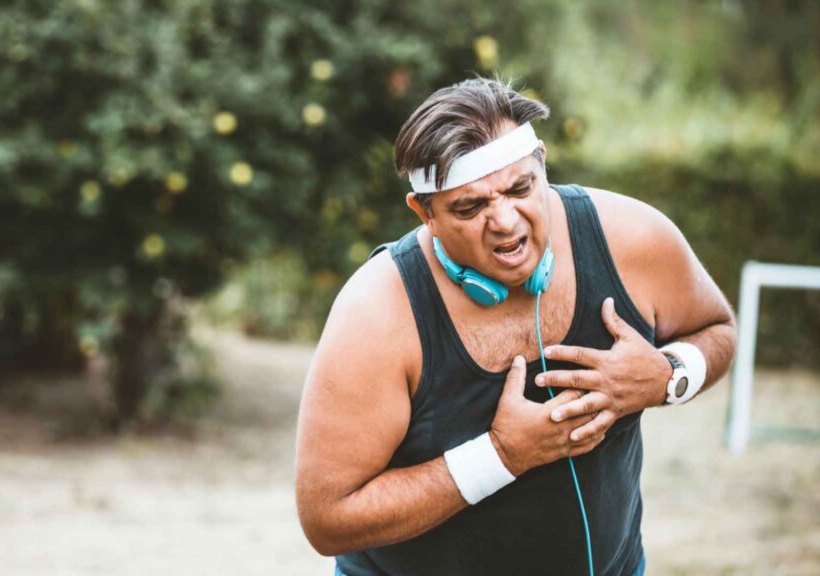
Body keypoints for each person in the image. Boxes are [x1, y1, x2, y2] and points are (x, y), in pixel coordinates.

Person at [294, 77, 737, 576]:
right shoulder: (377, 311)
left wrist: (668, 376)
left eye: (520, 188)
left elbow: (718, 328)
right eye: (471, 206)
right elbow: (327, 520)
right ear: (426, 212)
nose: (505, 221)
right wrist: (501, 456)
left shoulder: (632, 237)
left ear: (542, 163)